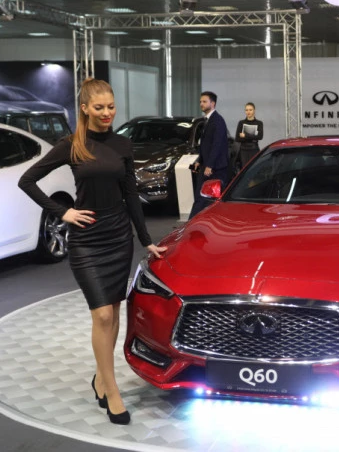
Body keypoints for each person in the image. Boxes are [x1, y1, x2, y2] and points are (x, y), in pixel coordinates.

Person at [18, 78, 166, 425]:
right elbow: (27, 180)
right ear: (84, 108)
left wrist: (145, 238)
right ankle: (111, 390)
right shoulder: (71, 145)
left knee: (112, 313)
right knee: (101, 315)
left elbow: (131, 194)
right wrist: (63, 212)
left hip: (118, 237)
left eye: (111, 106)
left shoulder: (122, 144)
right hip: (87, 240)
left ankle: (101, 379)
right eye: (99, 108)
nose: (106, 113)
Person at [189, 91, 229, 219]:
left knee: (205, 199)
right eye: (200, 101)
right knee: (201, 198)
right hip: (206, 166)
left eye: (204, 101)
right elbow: (205, 145)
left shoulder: (218, 121)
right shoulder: (206, 120)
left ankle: (191, 223)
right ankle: (194, 222)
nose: (201, 104)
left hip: (215, 168)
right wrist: (199, 160)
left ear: (213, 103)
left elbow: (217, 145)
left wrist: (210, 165)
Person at [235, 102, 264, 169]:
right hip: (243, 150)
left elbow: (260, 136)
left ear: (254, 110)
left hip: (254, 149)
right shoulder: (241, 123)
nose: (248, 112)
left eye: (250, 110)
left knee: (254, 168)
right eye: (246, 110)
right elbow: (237, 138)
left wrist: (245, 136)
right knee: (244, 169)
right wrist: (253, 136)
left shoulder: (259, 123)